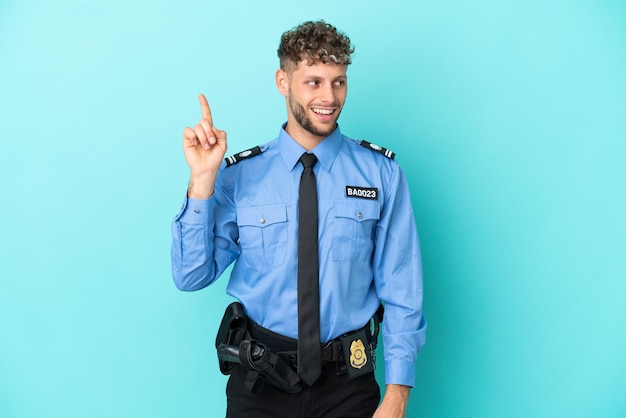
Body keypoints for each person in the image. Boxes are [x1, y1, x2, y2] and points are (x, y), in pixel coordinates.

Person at [171, 20, 426, 417]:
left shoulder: (380, 174)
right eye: (314, 82)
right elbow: (190, 275)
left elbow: (402, 291)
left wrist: (396, 395)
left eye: (338, 81)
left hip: (349, 385)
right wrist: (203, 179)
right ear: (283, 81)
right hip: (259, 385)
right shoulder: (239, 177)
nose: (329, 97)